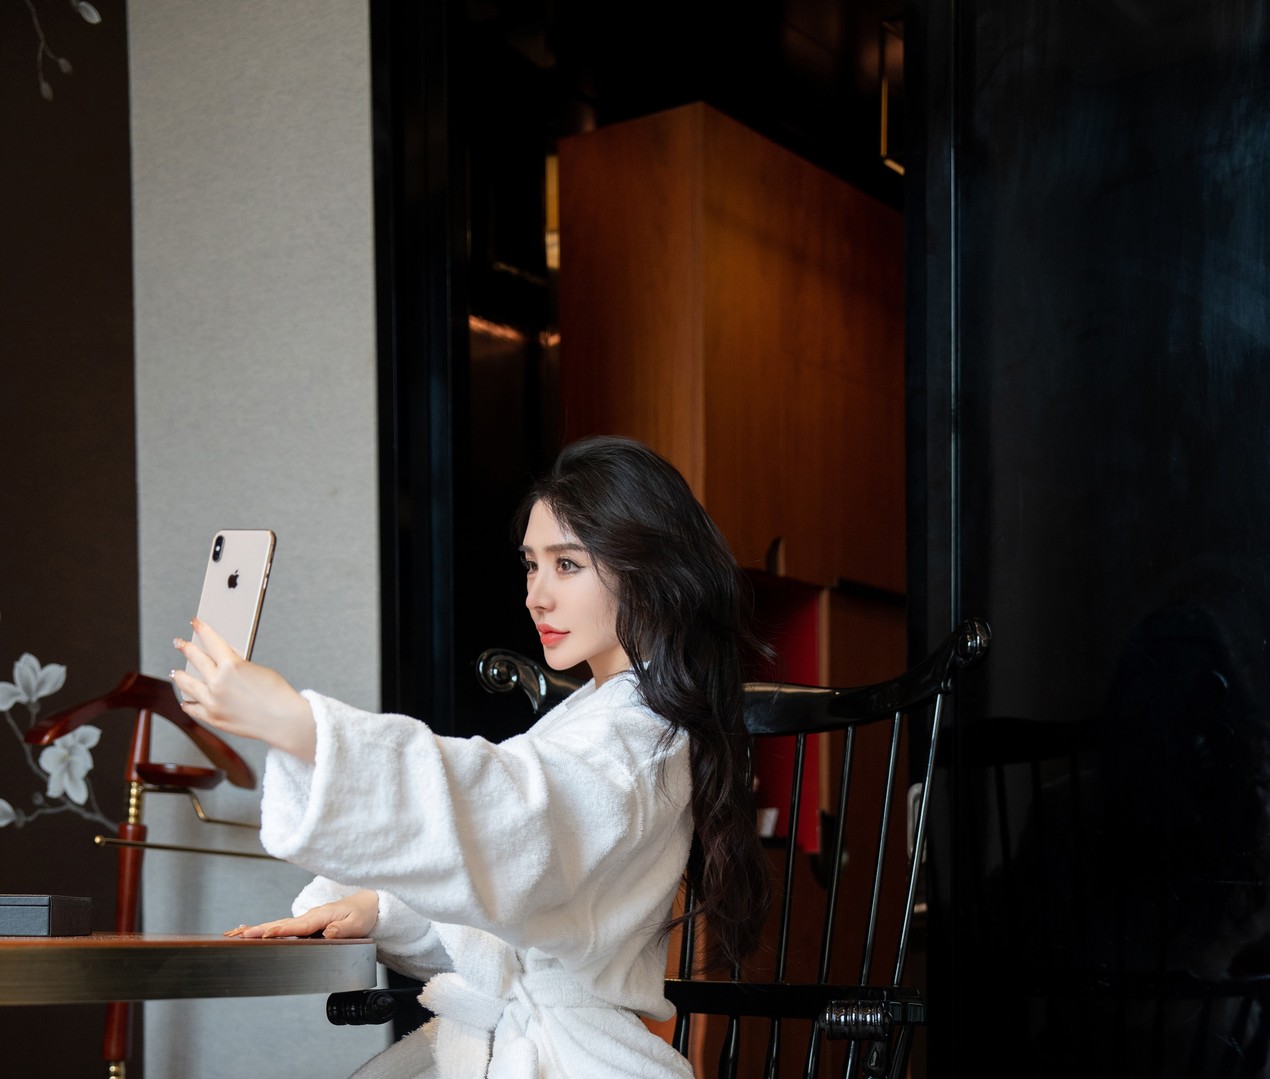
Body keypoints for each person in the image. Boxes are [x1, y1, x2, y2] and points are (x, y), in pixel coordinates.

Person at [172, 435, 771, 1079]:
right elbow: (513, 901)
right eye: (531, 565)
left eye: (568, 565)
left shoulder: (637, 743)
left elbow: (513, 817)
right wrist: (379, 912)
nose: (536, 596)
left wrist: (301, 728)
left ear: (647, 572)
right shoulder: (593, 718)